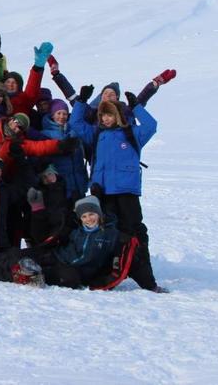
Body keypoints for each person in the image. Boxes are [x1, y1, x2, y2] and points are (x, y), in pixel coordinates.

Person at [70, 88, 165, 292]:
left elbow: (151, 125)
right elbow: (75, 124)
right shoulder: (95, 134)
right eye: (103, 114)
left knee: (135, 233)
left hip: (126, 192)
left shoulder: (132, 133)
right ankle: (107, 274)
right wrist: (81, 101)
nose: (106, 118)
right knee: (105, 234)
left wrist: (136, 107)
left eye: (110, 113)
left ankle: (147, 280)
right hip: (102, 192)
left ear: (118, 115)